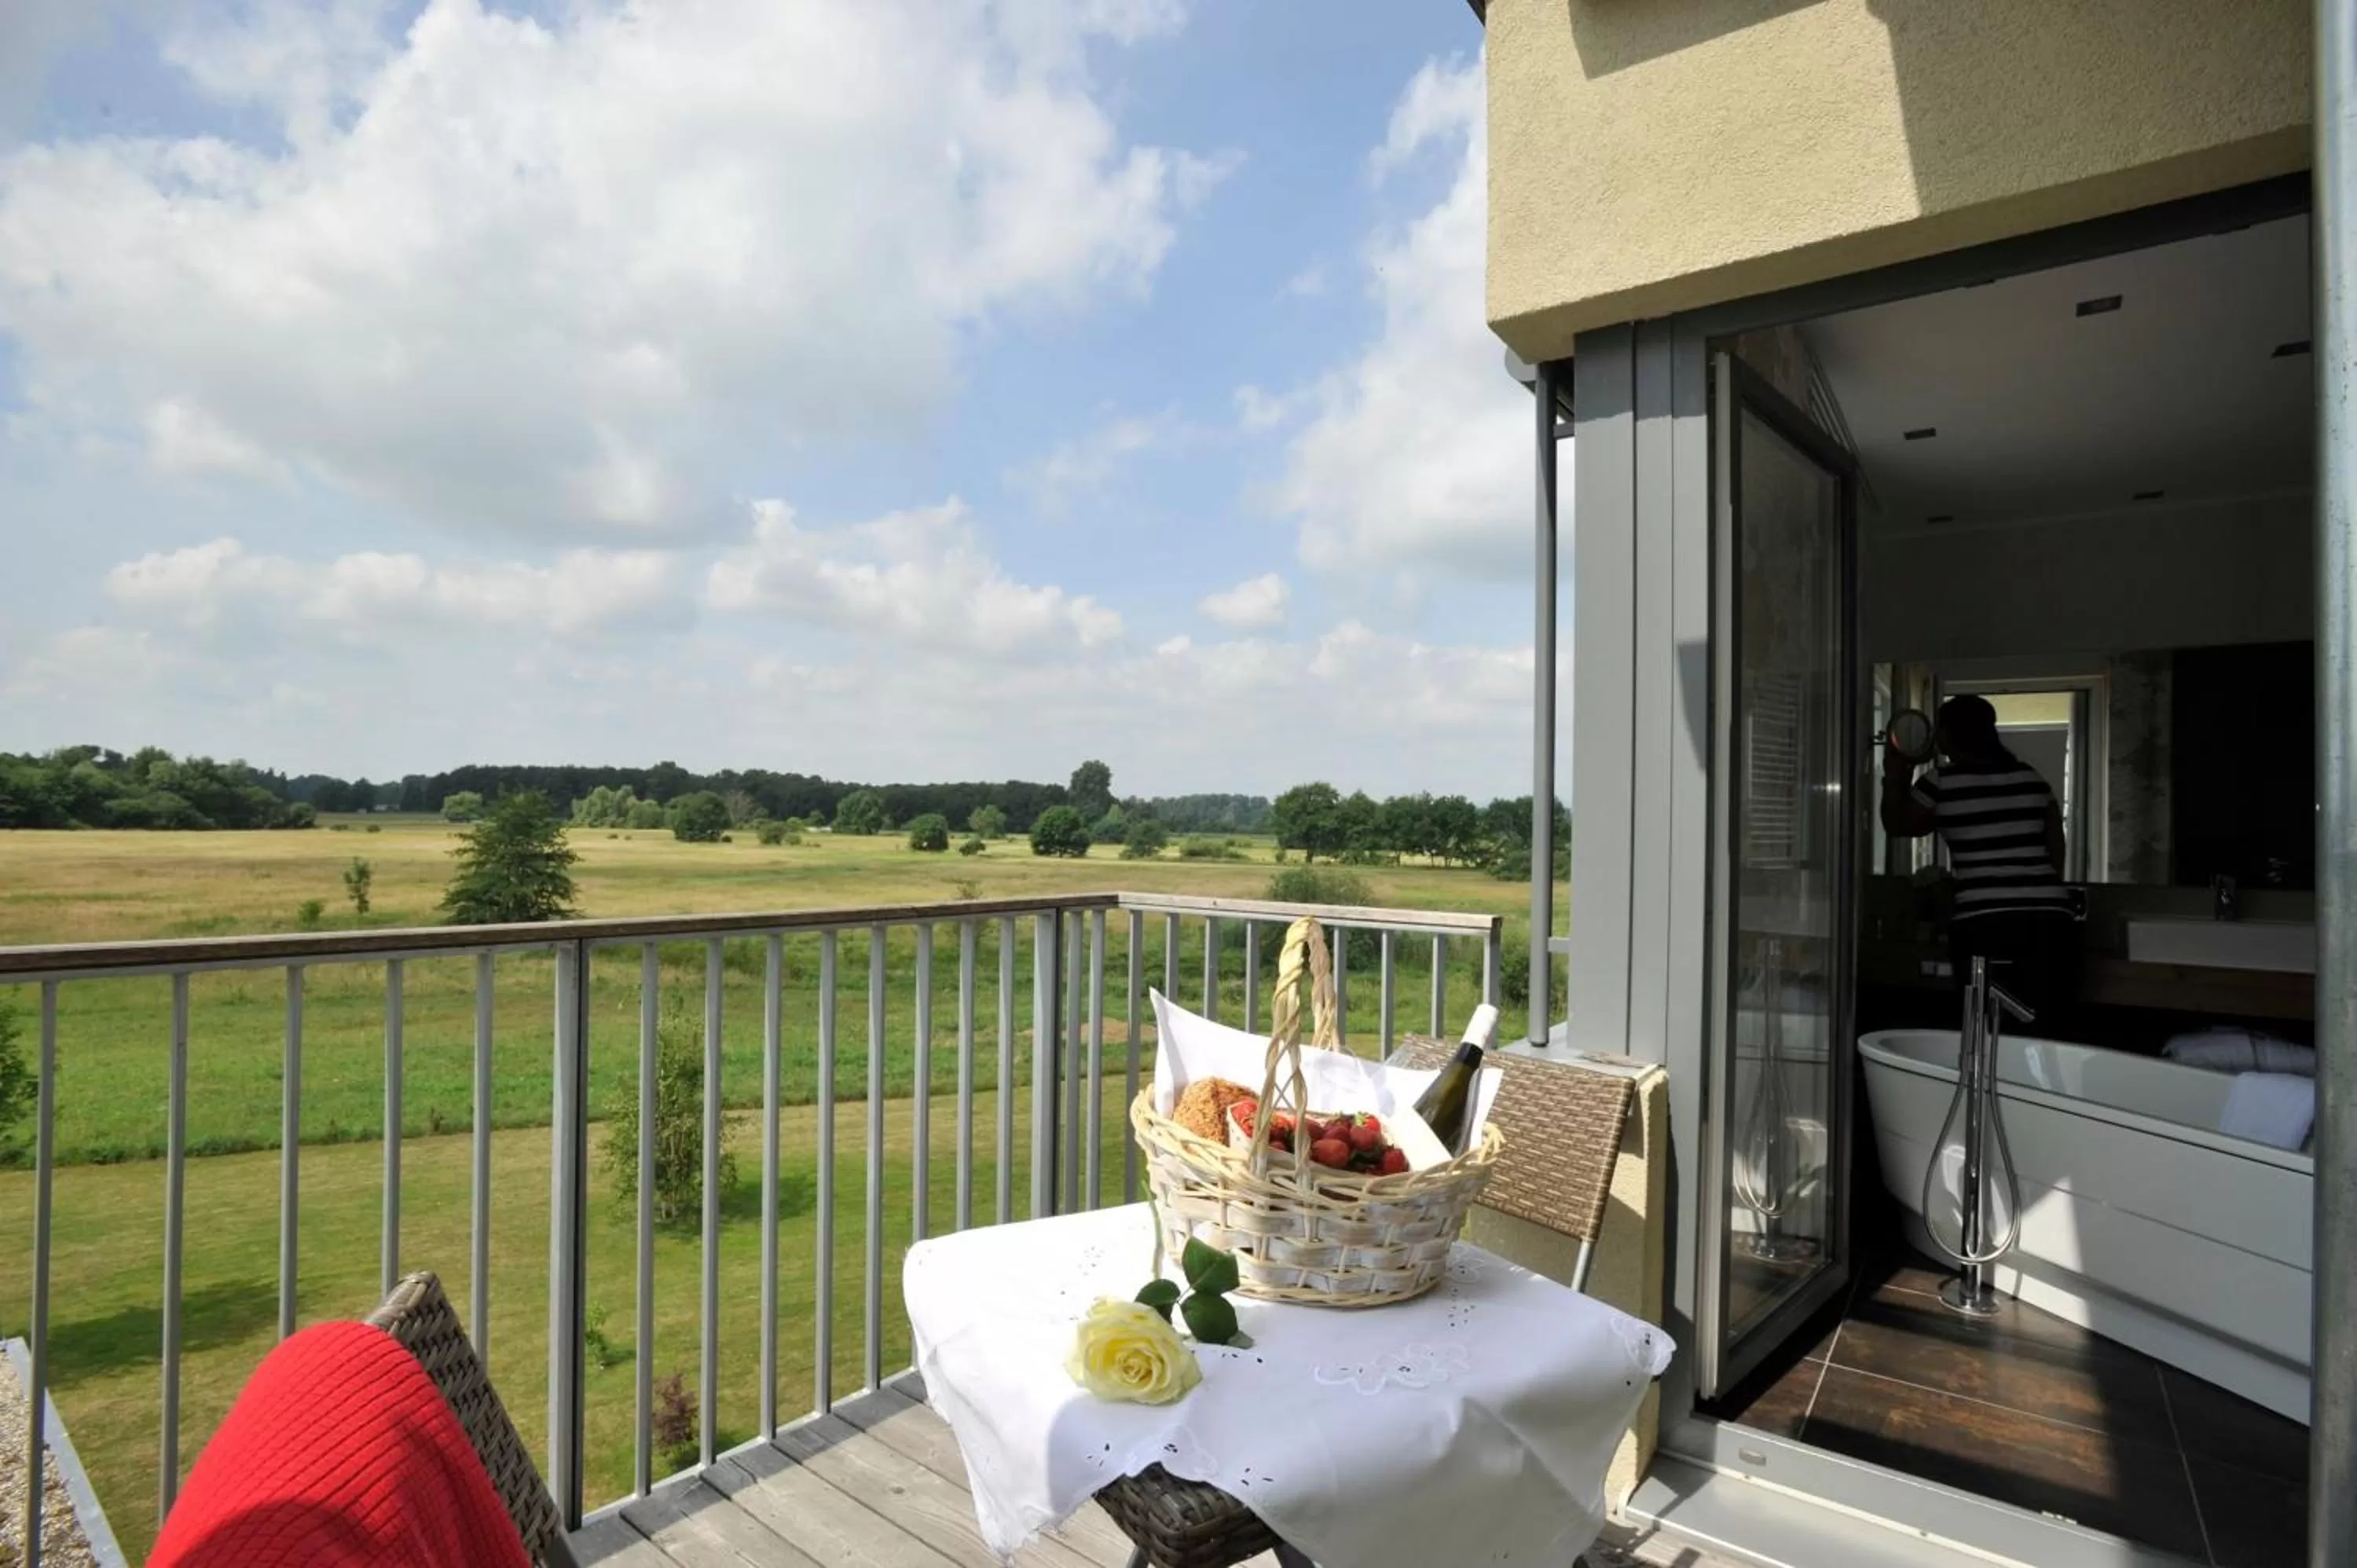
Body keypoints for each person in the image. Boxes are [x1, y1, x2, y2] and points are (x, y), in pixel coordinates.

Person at [1880, 694, 2080, 1020]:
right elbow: (2056, 850)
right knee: (2047, 1025)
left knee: (1986, 1030)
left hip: (1987, 923)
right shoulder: (2030, 778)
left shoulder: (1942, 781)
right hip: (2052, 920)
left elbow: (1898, 824)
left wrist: (1896, 772)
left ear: (1944, 734)